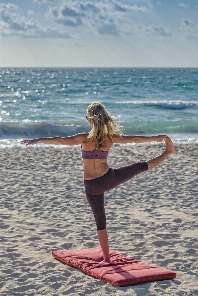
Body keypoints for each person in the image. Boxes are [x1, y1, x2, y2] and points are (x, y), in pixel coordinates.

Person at [21, 102, 176, 263]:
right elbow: (135, 138)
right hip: (109, 179)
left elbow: (60, 141)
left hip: (91, 186)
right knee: (139, 167)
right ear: (105, 119)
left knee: (100, 221)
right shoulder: (110, 138)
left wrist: (36, 140)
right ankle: (167, 152)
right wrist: (157, 137)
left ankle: (107, 259)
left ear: (89, 120)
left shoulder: (84, 138)